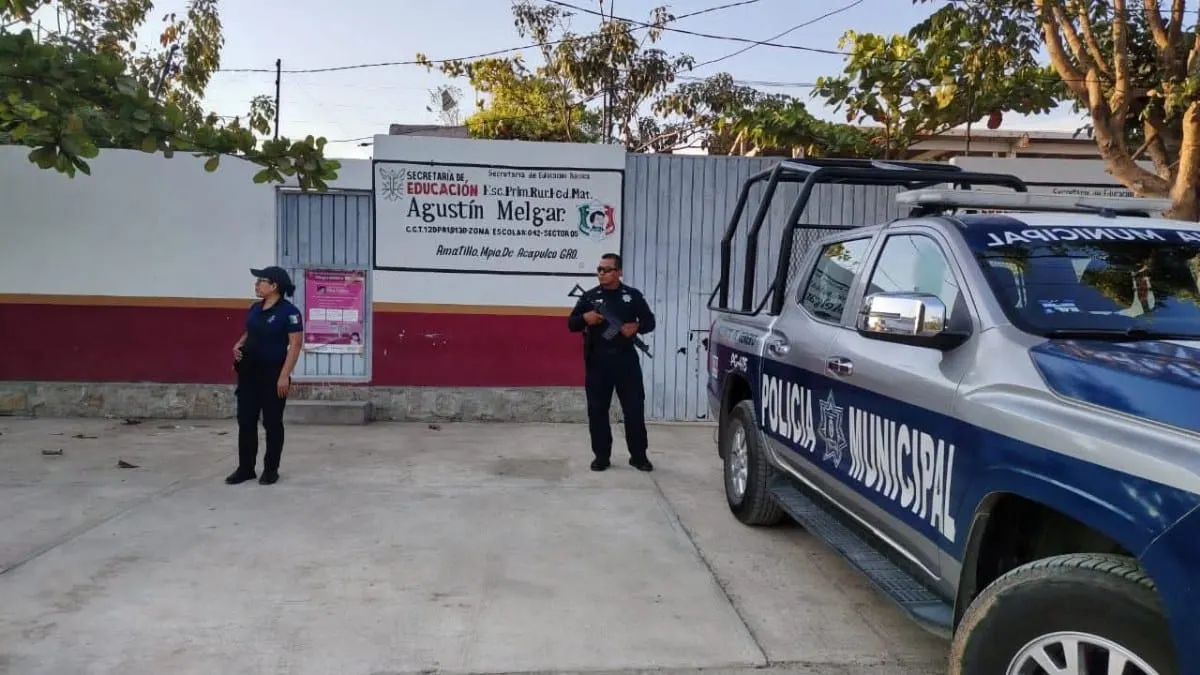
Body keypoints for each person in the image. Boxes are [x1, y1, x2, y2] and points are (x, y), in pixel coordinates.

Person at [567, 253, 657, 472]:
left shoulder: (632, 296)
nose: (601, 273)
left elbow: (649, 321)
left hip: (626, 361)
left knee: (634, 409)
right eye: (599, 269)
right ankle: (601, 456)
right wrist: (585, 319)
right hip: (598, 361)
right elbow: (571, 323)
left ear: (619, 273)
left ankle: (638, 456)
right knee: (597, 411)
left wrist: (635, 327)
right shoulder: (589, 297)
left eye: (606, 270)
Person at [227, 266, 304, 485]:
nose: (256, 284)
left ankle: (271, 469)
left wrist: (284, 376)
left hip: (273, 374)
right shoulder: (254, 308)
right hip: (249, 372)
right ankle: (245, 468)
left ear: (274, 286)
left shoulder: (289, 313)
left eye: (261, 281)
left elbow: (295, 345)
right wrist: (239, 344)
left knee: (272, 422)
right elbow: (251, 330)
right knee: (246, 421)